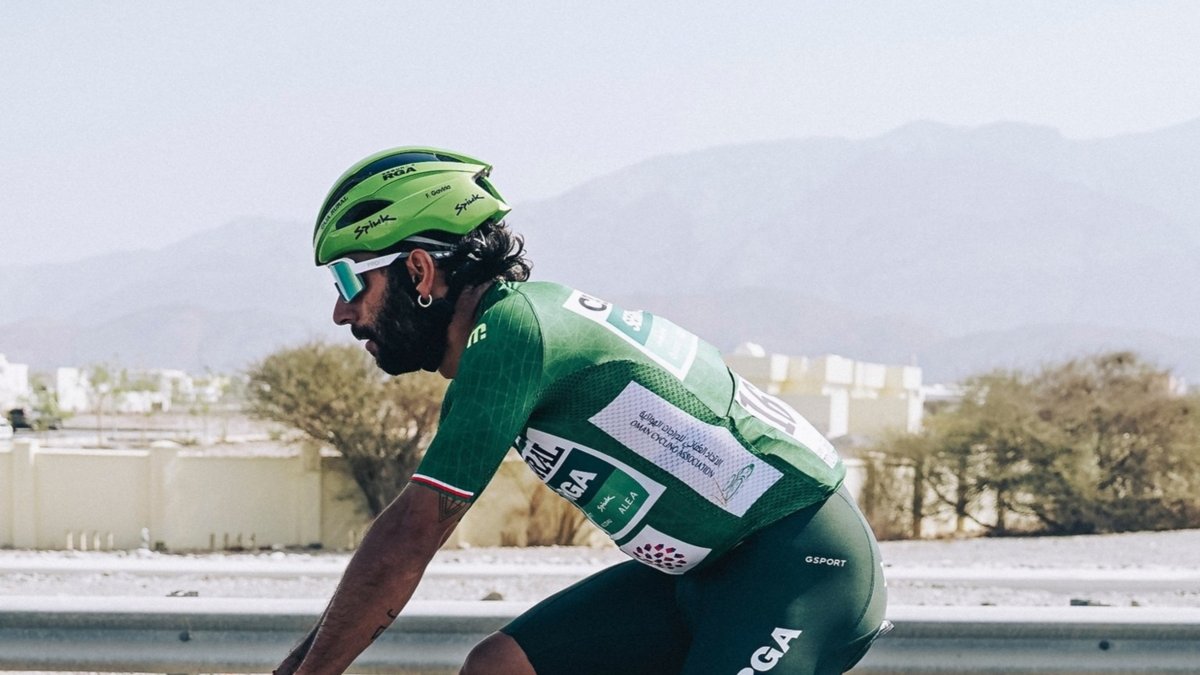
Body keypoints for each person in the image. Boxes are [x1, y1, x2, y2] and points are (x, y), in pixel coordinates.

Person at [277, 147, 890, 675]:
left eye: (350, 281)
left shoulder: (515, 334)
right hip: (704, 575)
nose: (341, 312)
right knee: (501, 667)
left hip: (801, 564)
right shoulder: (511, 330)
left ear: (419, 270)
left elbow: (410, 538)